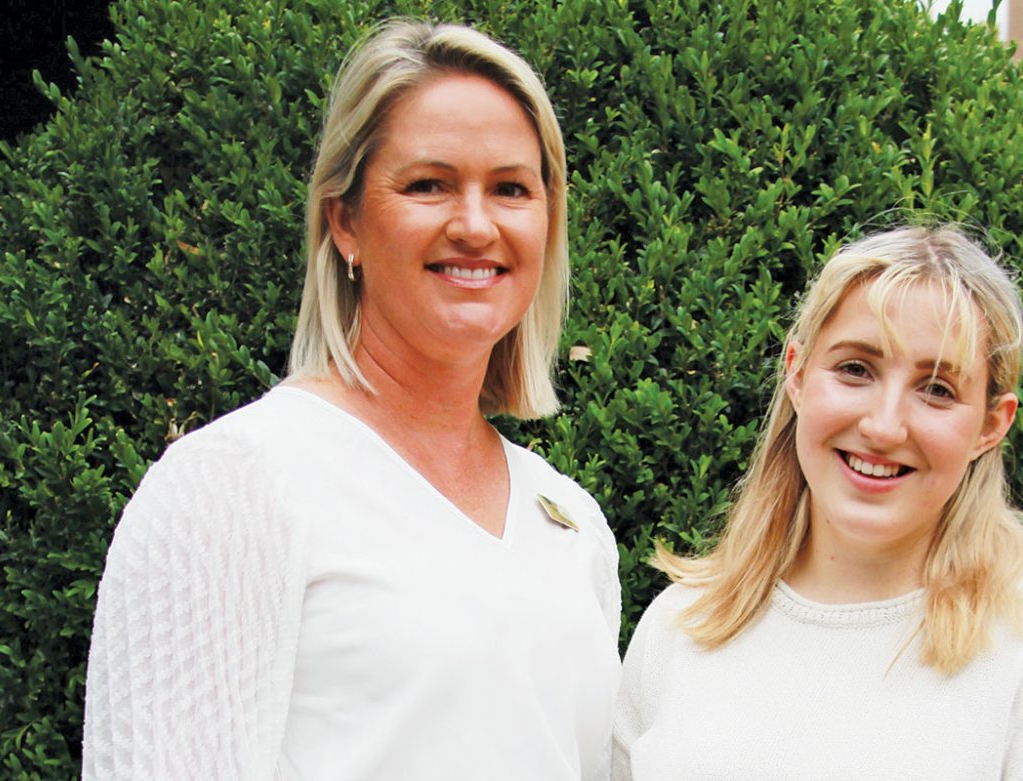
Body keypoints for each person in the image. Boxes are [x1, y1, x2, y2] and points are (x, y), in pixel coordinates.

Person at [82, 19, 621, 780]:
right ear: (345, 222)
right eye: (429, 184)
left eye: (510, 188)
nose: (475, 224)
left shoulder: (572, 528)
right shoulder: (235, 486)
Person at [612, 226, 1023, 779]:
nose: (883, 426)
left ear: (991, 425)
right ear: (798, 375)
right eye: (856, 369)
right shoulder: (681, 626)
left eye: (937, 389)